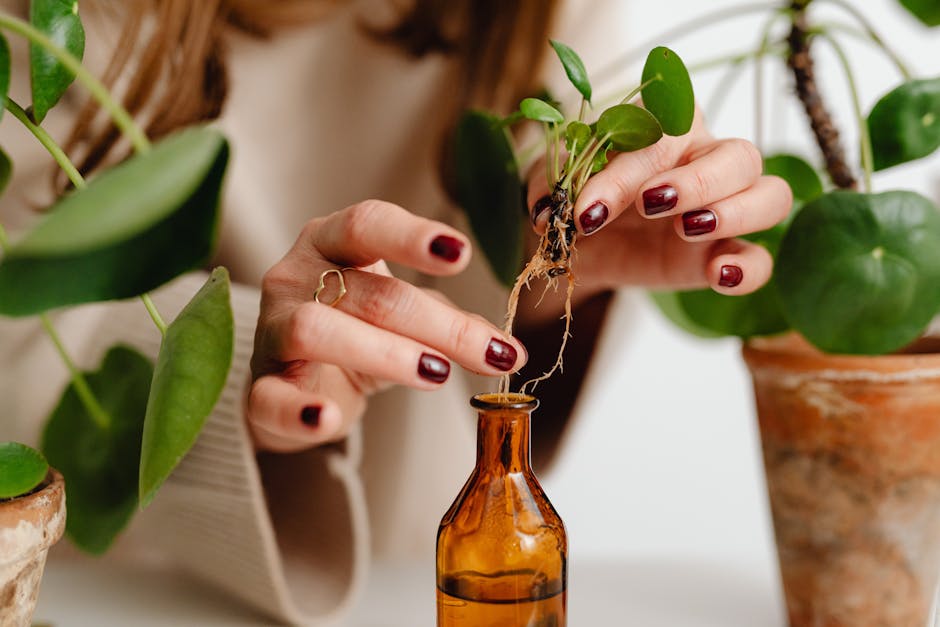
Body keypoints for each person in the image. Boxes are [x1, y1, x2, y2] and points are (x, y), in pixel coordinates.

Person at [0, 0, 791, 623]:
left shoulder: (534, 13)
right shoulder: (56, 28)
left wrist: (553, 248)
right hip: (93, 587)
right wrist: (243, 369)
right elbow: (20, 327)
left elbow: (543, 177)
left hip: (397, 574)